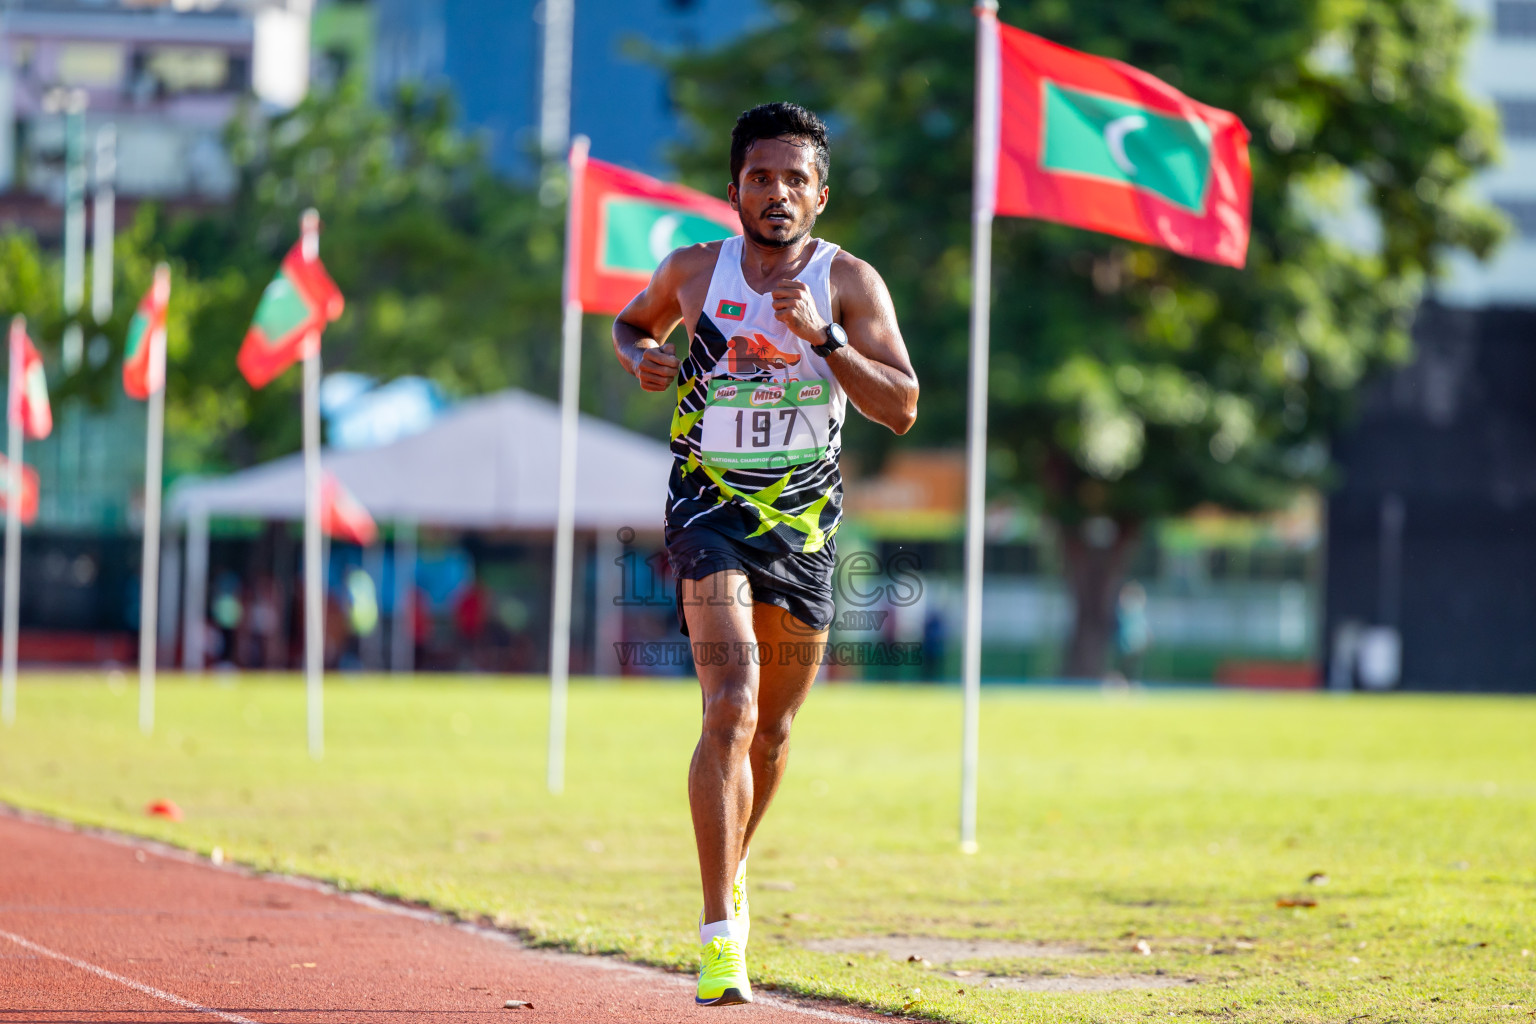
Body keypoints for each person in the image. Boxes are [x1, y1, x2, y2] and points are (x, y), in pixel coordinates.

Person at [612, 102, 918, 1006]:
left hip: (806, 527)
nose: (776, 193)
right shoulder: (694, 272)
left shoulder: (851, 283)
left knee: (775, 732)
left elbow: (901, 405)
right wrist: (642, 357)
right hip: (706, 508)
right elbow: (634, 325)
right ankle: (718, 941)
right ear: (735, 188)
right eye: (759, 177)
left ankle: (732, 871)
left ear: (821, 194)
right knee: (731, 704)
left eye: (794, 179)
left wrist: (823, 339)